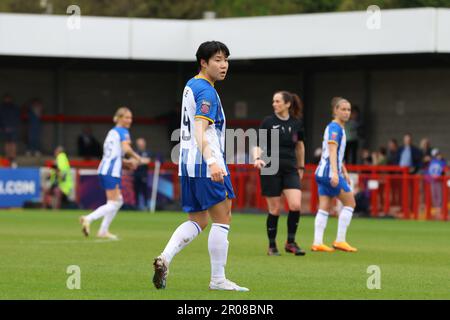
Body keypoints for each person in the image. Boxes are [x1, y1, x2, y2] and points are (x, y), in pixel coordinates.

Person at [152, 41, 249, 292]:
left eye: (226, 59)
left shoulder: (190, 85)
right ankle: (218, 279)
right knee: (222, 218)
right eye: (217, 59)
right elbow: (200, 129)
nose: (224, 64)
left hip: (187, 164)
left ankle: (165, 257)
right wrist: (213, 161)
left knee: (198, 220)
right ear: (203, 63)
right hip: (206, 163)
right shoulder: (206, 90)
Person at [253, 91, 306, 256]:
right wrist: (257, 158)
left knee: (296, 205)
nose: (274, 104)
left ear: (287, 104)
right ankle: (272, 246)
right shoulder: (268, 122)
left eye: (277, 101)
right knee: (275, 209)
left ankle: (290, 242)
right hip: (270, 168)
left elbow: (300, 146)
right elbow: (258, 143)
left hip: (290, 168)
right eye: (273, 101)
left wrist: (301, 167)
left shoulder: (296, 123)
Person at [79, 107, 142, 240]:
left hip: (105, 168)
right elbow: (126, 148)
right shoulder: (123, 131)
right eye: (126, 117)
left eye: (130, 117)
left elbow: (113, 154)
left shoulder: (112, 132)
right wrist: (137, 157)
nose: (129, 120)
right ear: (119, 118)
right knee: (113, 202)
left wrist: (125, 163)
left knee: (118, 201)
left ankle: (103, 231)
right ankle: (88, 218)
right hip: (111, 171)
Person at [312, 97, 357, 253]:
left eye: (348, 110)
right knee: (350, 203)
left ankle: (317, 242)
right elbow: (332, 150)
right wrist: (336, 173)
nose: (346, 112)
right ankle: (340, 240)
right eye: (343, 109)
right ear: (335, 110)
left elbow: (337, 154)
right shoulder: (335, 128)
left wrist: (343, 171)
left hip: (322, 172)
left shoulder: (337, 128)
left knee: (324, 206)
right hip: (328, 173)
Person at [0, 94, 20, 167]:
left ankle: (13, 158)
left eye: (9, 98)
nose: (7, 100)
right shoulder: (2, 108)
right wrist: (3, 127)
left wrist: (15, 126)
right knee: (7, 143)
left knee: (13, 143)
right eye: (6, 98)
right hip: (4, 128)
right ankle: (7, 158)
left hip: (14, 127)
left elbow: (17, 117)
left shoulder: (15, 108)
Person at [133, 137, 151, 210]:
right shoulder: (134, 152)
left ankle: (146, 205)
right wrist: (141, 161)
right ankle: (136, 206)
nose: (141, 144)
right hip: (136, 175)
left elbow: (147, 161)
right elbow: (133, 162)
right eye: (139, 143)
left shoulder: (147, 152)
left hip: (144, 175)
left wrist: (138, 161)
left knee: (144, 191)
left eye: (142, 143)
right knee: (136, 191)